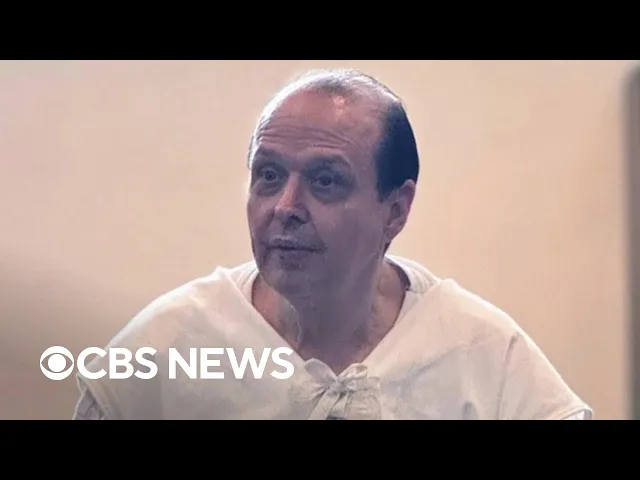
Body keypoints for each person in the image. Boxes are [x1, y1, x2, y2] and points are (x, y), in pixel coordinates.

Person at [73, 68, 592, 420]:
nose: (286, 207)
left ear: (395, 209)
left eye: (325, 181)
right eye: (269, 175)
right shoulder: (165, 349)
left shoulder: (484, 359)